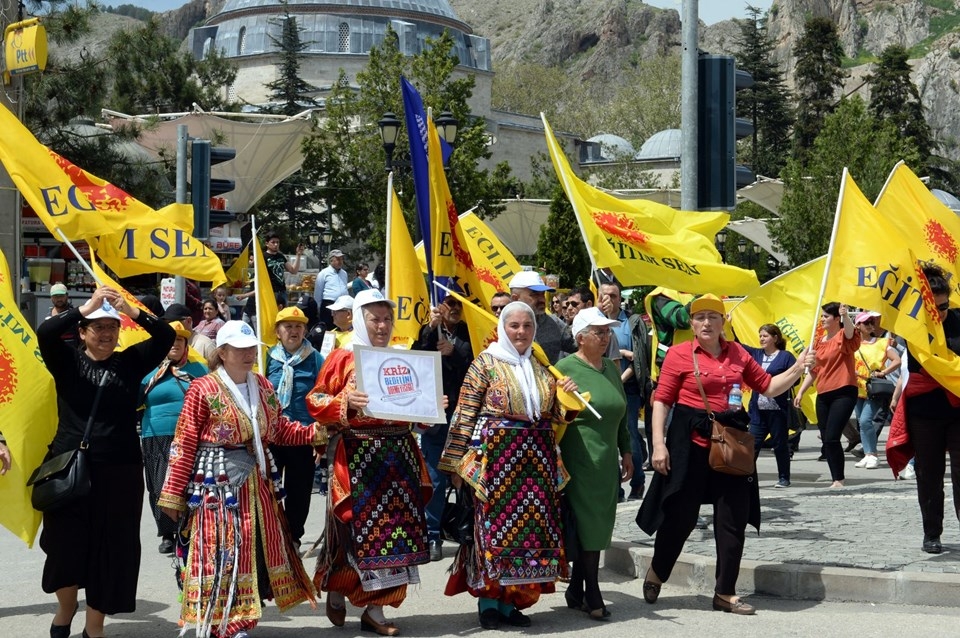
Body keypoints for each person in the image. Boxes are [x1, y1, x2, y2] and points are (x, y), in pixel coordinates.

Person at [636, 294, 811, 616]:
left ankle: (725, 593)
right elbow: (661, 401)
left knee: (732, 520)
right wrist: (657, 445)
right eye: (699, 317)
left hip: (730, 443)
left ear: (723, 322)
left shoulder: (738, 353)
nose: (706, 323)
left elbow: (769, 387)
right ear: (691, 323)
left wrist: (799, 368)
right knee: (680, 517)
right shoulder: (678, 354)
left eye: (712, 317)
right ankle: (658, 571)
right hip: (689, 445)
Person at [158, 320, 325, 638]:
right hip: (218, 482)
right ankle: (224, 622)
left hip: (256, 480)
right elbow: (185, 441)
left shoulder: (262, 385)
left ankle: (242, 621)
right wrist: (173, 493)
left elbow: (277, 429)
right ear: (222, 352)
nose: (249, 353)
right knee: (223, 548)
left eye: (251, 348)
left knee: (254, 548)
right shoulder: (203, 388)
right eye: (240, 348)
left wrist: (311, 432)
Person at [37, 286, 174, 638]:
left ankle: (93, 628)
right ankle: (65, 609)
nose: (106, 334)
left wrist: (129, 308)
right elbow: (46, 332)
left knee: (111, 552)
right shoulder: (65, 360)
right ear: (82, 331)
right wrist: (87, 307)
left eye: (111, 328)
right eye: (98, 327)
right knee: (63, 549)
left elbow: (166, 334)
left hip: (120, 473)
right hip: (70, 471)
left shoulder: (129, 362)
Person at [438, 301, 579, 630]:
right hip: (496, 465)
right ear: (503, 328)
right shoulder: (484, 364)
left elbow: (554, 416)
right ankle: (489, 603)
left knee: (528, 535)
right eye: (514, 325)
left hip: (536, 467)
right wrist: (456, 465)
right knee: (492, 532)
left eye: (527, 326)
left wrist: (566, 395)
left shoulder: (541, 367)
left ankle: (513, 601)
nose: (521, 332)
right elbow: (464, 415)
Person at [307, 289, 433, 636]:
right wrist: (345, 402)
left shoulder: (402, 357)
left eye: (387, 318)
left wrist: (430, 408)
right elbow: (316, 399)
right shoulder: (343, 357)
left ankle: (375, 610)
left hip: (399, 457)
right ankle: (337, 584)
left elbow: (415, 411)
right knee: (352, 531)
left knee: (393, 536)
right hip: (358, 458)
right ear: (360, 319)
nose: (382, 325)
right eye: (375, 318)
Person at [556, 307, 633, 619]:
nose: (605, 337)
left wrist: (627, 451)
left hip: (607, 462)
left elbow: (622, 413)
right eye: (598, 332)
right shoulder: (564, 369)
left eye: (607, 331)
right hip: (580, 459)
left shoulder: (611, 369)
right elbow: (554, 416)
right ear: (580, 337)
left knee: (600, 525)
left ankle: (577, 589)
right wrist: (562, 394)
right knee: (588, 525)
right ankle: (593, 592)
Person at [887, 265, 960, 554]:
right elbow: (911, 368)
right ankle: (932, 532)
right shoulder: (913, 326)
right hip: (924, 413)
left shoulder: (958, 321)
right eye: (934, 307)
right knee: (929, 475)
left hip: (958, 411)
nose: (939, 313)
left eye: (944, 306)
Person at [139, 321, 208, 555]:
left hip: (191, 436)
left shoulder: (201, 370)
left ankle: (187, 528)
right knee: (159, 486)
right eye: (170, 340)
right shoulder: (148, 372)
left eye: (179, 340)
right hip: (155, 435)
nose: (174, 344)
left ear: (186, 343)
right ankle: (167, 533)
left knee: (190, 483)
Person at [414, 295, 472, 561]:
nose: (455, 310)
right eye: (450, 304)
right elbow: (417, 360)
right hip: (437, 416)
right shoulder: (429, 329)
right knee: (435, 481)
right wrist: (428, 330)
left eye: (459, 305)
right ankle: (432, 535)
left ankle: (468, 531)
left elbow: (479, 362)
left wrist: (455, 351)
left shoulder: (471, 330)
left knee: (469, 479)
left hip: (468, 414)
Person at [265, 306, 325, 549]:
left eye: (298, 326)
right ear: (278, 332)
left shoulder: (316, 359)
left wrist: (320, 437)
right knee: (269, 489)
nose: (293, 331)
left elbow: (324, 395)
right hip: (273, 435)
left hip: (303, 436)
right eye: (288, 326)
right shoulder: (266, 358)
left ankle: (293, 538)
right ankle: (272, 536)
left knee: (299, 492)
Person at [795, 302, 860, 488]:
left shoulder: (843, 335)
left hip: (844, 391)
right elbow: (815, 370)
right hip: (823, 393)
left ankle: (839, 478)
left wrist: (846, 315)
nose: (822, 319)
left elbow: (850, 334)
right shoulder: (818, 342)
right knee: (826, 438)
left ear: (836, 319)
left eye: (826, 316)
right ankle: (835, 478)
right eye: (822, 316)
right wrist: (801, 391)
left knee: (832, 436)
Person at [600, 281, 646, 500]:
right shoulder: (595, 321)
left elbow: (638, 359)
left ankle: (637, 483)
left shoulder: (631, 322)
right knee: (608, 440)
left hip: (627, 387)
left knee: (629, 436)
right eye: (605, 295)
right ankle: (616, 488)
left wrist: (618, 379)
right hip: (601, 388)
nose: (609, 299)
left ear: (620, 298)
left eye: (614, 296)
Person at [742, 324, 797, 488]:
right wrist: (727, 325)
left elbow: (796, 378)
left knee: (780, 445)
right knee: (752, 445)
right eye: (760, 335)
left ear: (775, 338)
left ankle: (784, 478)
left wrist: (778, 383)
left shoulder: (786, 357)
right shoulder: (756, 354)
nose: (761, 339)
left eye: (765, 336)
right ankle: (746, 477)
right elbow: (734, 345)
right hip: (758, 410)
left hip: (777, 410)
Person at [852, 311, 901, 470]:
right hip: (856, 387)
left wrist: (883, 372)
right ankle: (867, 454)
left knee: (866, 420)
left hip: (873, 387)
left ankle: (872, 454)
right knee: (861, 422)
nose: (870, 325)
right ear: (857, 325)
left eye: (872, 322)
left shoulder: (882, 342)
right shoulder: (852, 344)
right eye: (866, 323)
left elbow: (897, 360)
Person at [509, 271, 563, 363]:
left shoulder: (555, 324)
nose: (542, 299)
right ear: (515, 298)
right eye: (535, 294)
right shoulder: (502, 327)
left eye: (542, 294)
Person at [265, 233, 304, 306]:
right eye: (273, 242)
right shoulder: (263, 257)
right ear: (267, 243)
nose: (276, 244)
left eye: (277, 242)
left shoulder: (281, 256)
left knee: (283, 315)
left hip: (282, 291)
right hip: (270, 291)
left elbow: (293, 270)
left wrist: (298, 255)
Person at [314, 249, 349, 328]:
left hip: (342, 305)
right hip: (329, 305)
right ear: (331, 260)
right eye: (338, 259)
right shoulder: (323, 273)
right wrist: (318, 308)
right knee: (328, 328)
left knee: (342, 327)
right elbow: (318, 292)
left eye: (341, 259)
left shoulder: (344, 273)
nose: (340, 261)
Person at [44, 282, 79, 348]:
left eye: (61, 296)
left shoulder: (74, 314)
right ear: (51, 297)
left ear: (67, 296)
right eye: (56, 297)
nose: (59, 299)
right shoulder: (48, 316)